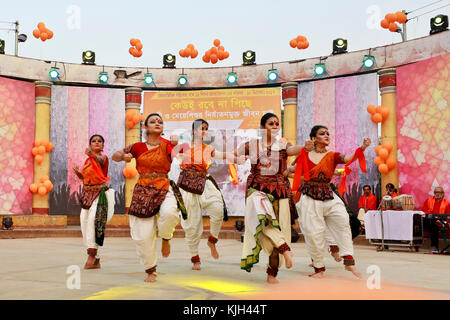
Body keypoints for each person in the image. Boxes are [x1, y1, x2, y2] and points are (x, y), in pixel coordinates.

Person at [237, 112, 312, 284]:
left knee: (279, 229)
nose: (275, 126)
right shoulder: (252, 145)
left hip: (280, 192)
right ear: (262, 127)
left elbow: (292, 150)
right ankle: (285, 249)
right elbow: (236, 153)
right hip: (257, 189)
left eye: (277, 123)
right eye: (271, 123)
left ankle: (272, 272)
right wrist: (236, 156)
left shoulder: (284, 145)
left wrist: (305, 147)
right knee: (261, 223)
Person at [112, 113, 183, 282]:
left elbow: (180, 156)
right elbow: (115, 156)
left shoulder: (167, 145)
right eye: (153, 121)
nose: (157, 123)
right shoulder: (137, 146)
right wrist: (123, 157)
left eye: (160, 121)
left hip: (164, 186)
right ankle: (151, 269)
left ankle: (166, 237)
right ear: (145, 127)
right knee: (142, 235)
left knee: (170, 213)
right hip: (143, 188)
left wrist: (177, 145)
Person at [293, 125, 371, 278]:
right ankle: (319, 268)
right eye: (322, 134)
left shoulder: (333, 155)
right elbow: (289, 171)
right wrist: (306, 176)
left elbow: (348, 158)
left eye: (328, 133)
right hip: (309, 196)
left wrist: (362, 147)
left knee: (343, 222)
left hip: (329, 194)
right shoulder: (305, 155)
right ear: (314, 138)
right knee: (314, 233)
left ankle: (349, 261)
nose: (327, 136)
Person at [173, 119, 246, 270]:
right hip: (187, 185)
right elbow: (169, 153)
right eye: (201, 128)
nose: (204, 131)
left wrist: (237, 159)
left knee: (218, 210)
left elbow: (222, 155)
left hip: (204, 182)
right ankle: (195, 257)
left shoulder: (208, 148)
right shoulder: (183, 147)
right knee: (192, 225)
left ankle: (212, 239)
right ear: (193, 131)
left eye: (206, 129)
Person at [73, 134, 116, 270]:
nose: (96, 143)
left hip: (100, 194)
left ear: (103, 146)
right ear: (90, 144)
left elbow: (100, 161)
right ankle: (95, 258)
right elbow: (85, 178)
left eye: (99, 141)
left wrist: (92, 154)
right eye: (93, 141)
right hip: (87, 194)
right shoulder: (87, 161)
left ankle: (91, 256)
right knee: (84, 223)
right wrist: (78, 173)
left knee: (93, 222)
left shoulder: (102, 158)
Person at [422, 187, 449, 253]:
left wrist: (445, 222)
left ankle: (434, 247)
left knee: (434, 226)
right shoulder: (428, 201)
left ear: (443, 194)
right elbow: (424, 212)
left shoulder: (447, 203)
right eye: (436, 192)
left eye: (439, 192)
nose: (437, 194)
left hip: (440, 223)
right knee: (430, 222)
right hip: (428, 221)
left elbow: (448, 216)